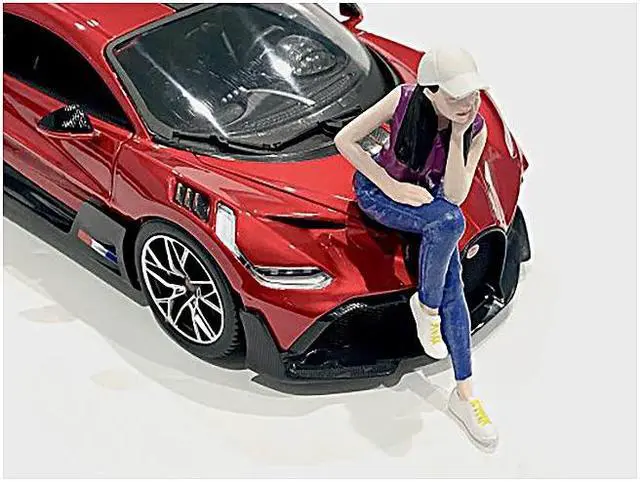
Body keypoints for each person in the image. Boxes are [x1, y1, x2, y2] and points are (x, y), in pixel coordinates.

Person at [335, 46, 498, 448]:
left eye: (472, 93)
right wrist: (391, 186)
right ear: (431, 90)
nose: (467, 103)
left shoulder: (475, 128)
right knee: (450, 224)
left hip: (431, 202)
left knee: (453, 269)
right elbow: (346, 140)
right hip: (379, 193)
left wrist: (458, 134)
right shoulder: (404, 99)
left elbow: (455, 195)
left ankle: (464, 392)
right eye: (456, 96)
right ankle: (426, 309)